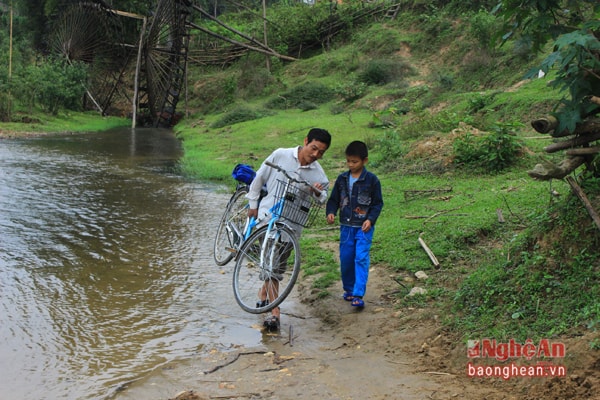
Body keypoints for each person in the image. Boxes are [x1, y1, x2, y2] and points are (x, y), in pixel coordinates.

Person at [246, 128, 332, 330]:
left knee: (276, 268)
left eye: (321, 152)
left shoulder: (319, 174)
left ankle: (263, 295)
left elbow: (322, 199)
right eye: (313, 148)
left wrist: (317, 192)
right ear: (305, 141)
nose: (315, 155)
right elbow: (259, 178)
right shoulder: (281, 155)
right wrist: (252, 205)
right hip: (268, 218)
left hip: (292, 226)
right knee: (272, 266)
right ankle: (274, 313)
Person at [326, 141, 383, 308]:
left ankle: (358, 294)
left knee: (361, 258)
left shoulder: (372, 180)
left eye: (355, 162)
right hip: (346, 227)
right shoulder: (342, 179)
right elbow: (334, 199)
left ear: (364, 161)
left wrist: (370, 219)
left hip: (364, 227)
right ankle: (349, 290)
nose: (351, 165)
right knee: (346, 259)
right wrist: (330, 212)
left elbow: (377, 203)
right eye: (348, 161)